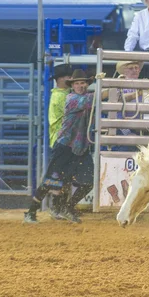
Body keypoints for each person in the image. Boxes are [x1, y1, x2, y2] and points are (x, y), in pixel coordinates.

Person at [24, 69, 100, 224]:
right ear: (72, 86)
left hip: (80, 148)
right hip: (65, 146)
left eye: (83, 83)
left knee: (88, 181)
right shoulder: (71, 99)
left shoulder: (83, 98)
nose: (80, 86)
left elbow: (94, 99)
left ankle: (67, 207)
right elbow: (94, 99)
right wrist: (109, 88)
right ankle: (31, 211)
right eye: (77, 83)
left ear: (87, 84)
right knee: (52, 181)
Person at [48, 64, 72, 147]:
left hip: (62, 138)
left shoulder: (63, 93)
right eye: (69, 76)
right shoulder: (60, 96)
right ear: (60, 79)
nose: (71, 79)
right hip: (61, 139)